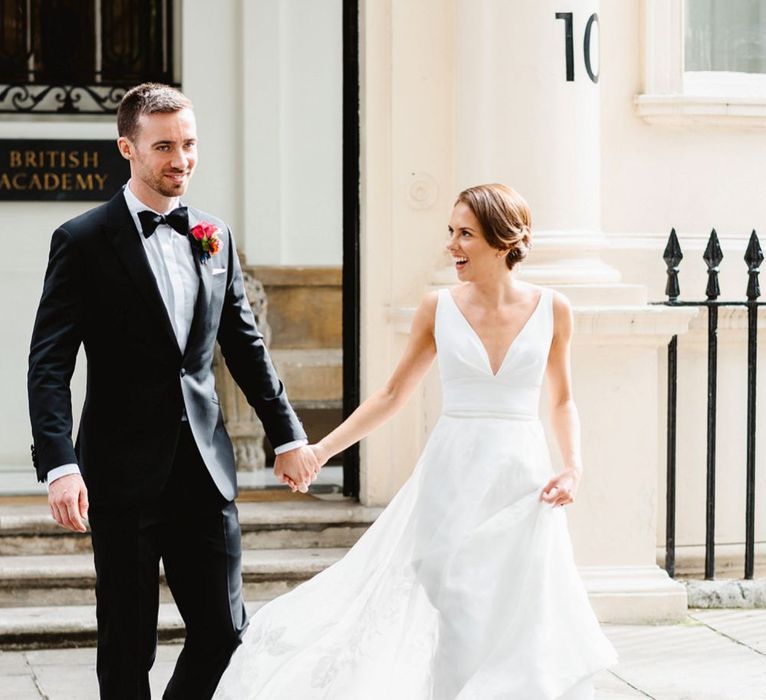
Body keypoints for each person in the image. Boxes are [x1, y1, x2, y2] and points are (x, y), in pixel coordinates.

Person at [214, 183, 618, 699]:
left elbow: (562, 400)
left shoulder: (555, 309)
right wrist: (320, 450)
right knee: (455, 599)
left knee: (519, 614)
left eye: (465, 234)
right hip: (452, 475)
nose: (452, 245)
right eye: (450, 232)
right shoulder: (437, 308)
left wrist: (574, 466)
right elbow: (390, 394)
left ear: (502, 240)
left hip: (522, 479)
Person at [27, 82, 320, 700]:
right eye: (164, 146)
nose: (180, 159)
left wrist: (288, 431)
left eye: (189, 144)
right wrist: (59, 464)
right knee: (127, 647)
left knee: (223, 635)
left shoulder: (214, 235)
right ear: (127, 148)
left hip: (204, 473)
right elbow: (49, 364)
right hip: (120, 473)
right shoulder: (81, 241)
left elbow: (246, 346)